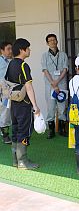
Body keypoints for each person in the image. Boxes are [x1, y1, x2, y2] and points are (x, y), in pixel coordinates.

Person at [5, 38, 40, 169]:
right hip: (24, 104)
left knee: (15, 129)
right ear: (22, 50)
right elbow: (29, 87)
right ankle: (23, 161)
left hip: (14, 103)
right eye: (28, 48)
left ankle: (15, 160)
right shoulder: (23, 65)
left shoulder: (11, 63)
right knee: (24, 131)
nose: (29, 50)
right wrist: (35, 106)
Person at [41, 34, 68, 138]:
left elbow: (65, 69)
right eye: (50, 40)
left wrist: (57, 82)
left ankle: (62, 129)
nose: (52, 42)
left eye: (54, 40)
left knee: (62, 107)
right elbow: (45, 70)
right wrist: (53, 83)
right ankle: (51, 130)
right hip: (50, 85)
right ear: (47, 43)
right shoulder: (44, 56)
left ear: (57, 41)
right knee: (51, 108)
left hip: (61, 84)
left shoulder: (63, 55)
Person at [0, 41, 12, 144]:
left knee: (5, 112)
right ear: (2, 50)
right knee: (4, 112)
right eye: (8, 49)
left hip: (7, 91)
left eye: (11, 49)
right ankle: (5, 135)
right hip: (2, 90)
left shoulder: (9, 61)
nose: (10, 51)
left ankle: (5, 134)